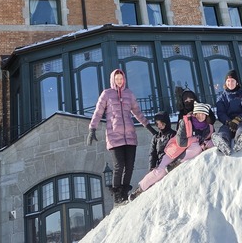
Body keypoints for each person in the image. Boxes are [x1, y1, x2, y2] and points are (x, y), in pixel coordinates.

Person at [87, 69, 157, 204]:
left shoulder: (129, 94)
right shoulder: (107, 94)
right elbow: (98, 112)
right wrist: (92, 129)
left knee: (129, 166)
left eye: (121, 78)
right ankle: (117, 196)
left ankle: (124, 193)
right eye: (117, 79)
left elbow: (137, 112)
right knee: (119, 165)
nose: (119, 81)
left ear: (124, 79)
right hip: (114, 136)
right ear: (113, 80)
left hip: (130, 136)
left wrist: (149, 127)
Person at [129, 103, 215, 201]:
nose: (200, 116)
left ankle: (176, 163)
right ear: (194, 113)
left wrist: (204, 144)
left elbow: (209, 141)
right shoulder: (186, 121)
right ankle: (139, 190)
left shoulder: (209, 128)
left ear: (206, 115)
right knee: (160, 171)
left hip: (189, 152)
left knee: (197, 147)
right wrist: (195, 139)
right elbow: (181, 142)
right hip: (176, 149)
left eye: (203, 114)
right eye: (198, 113)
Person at [211, 70, 242, 155]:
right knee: (223, 130)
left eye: (233, 81)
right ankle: (223, 143)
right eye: (228, 81)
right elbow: (220, 113)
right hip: (228, 123)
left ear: (237, 82)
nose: (230, 83)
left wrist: (238, 119)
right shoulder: (221, 98)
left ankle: (240, 140)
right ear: (225, 82)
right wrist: (228, 122)